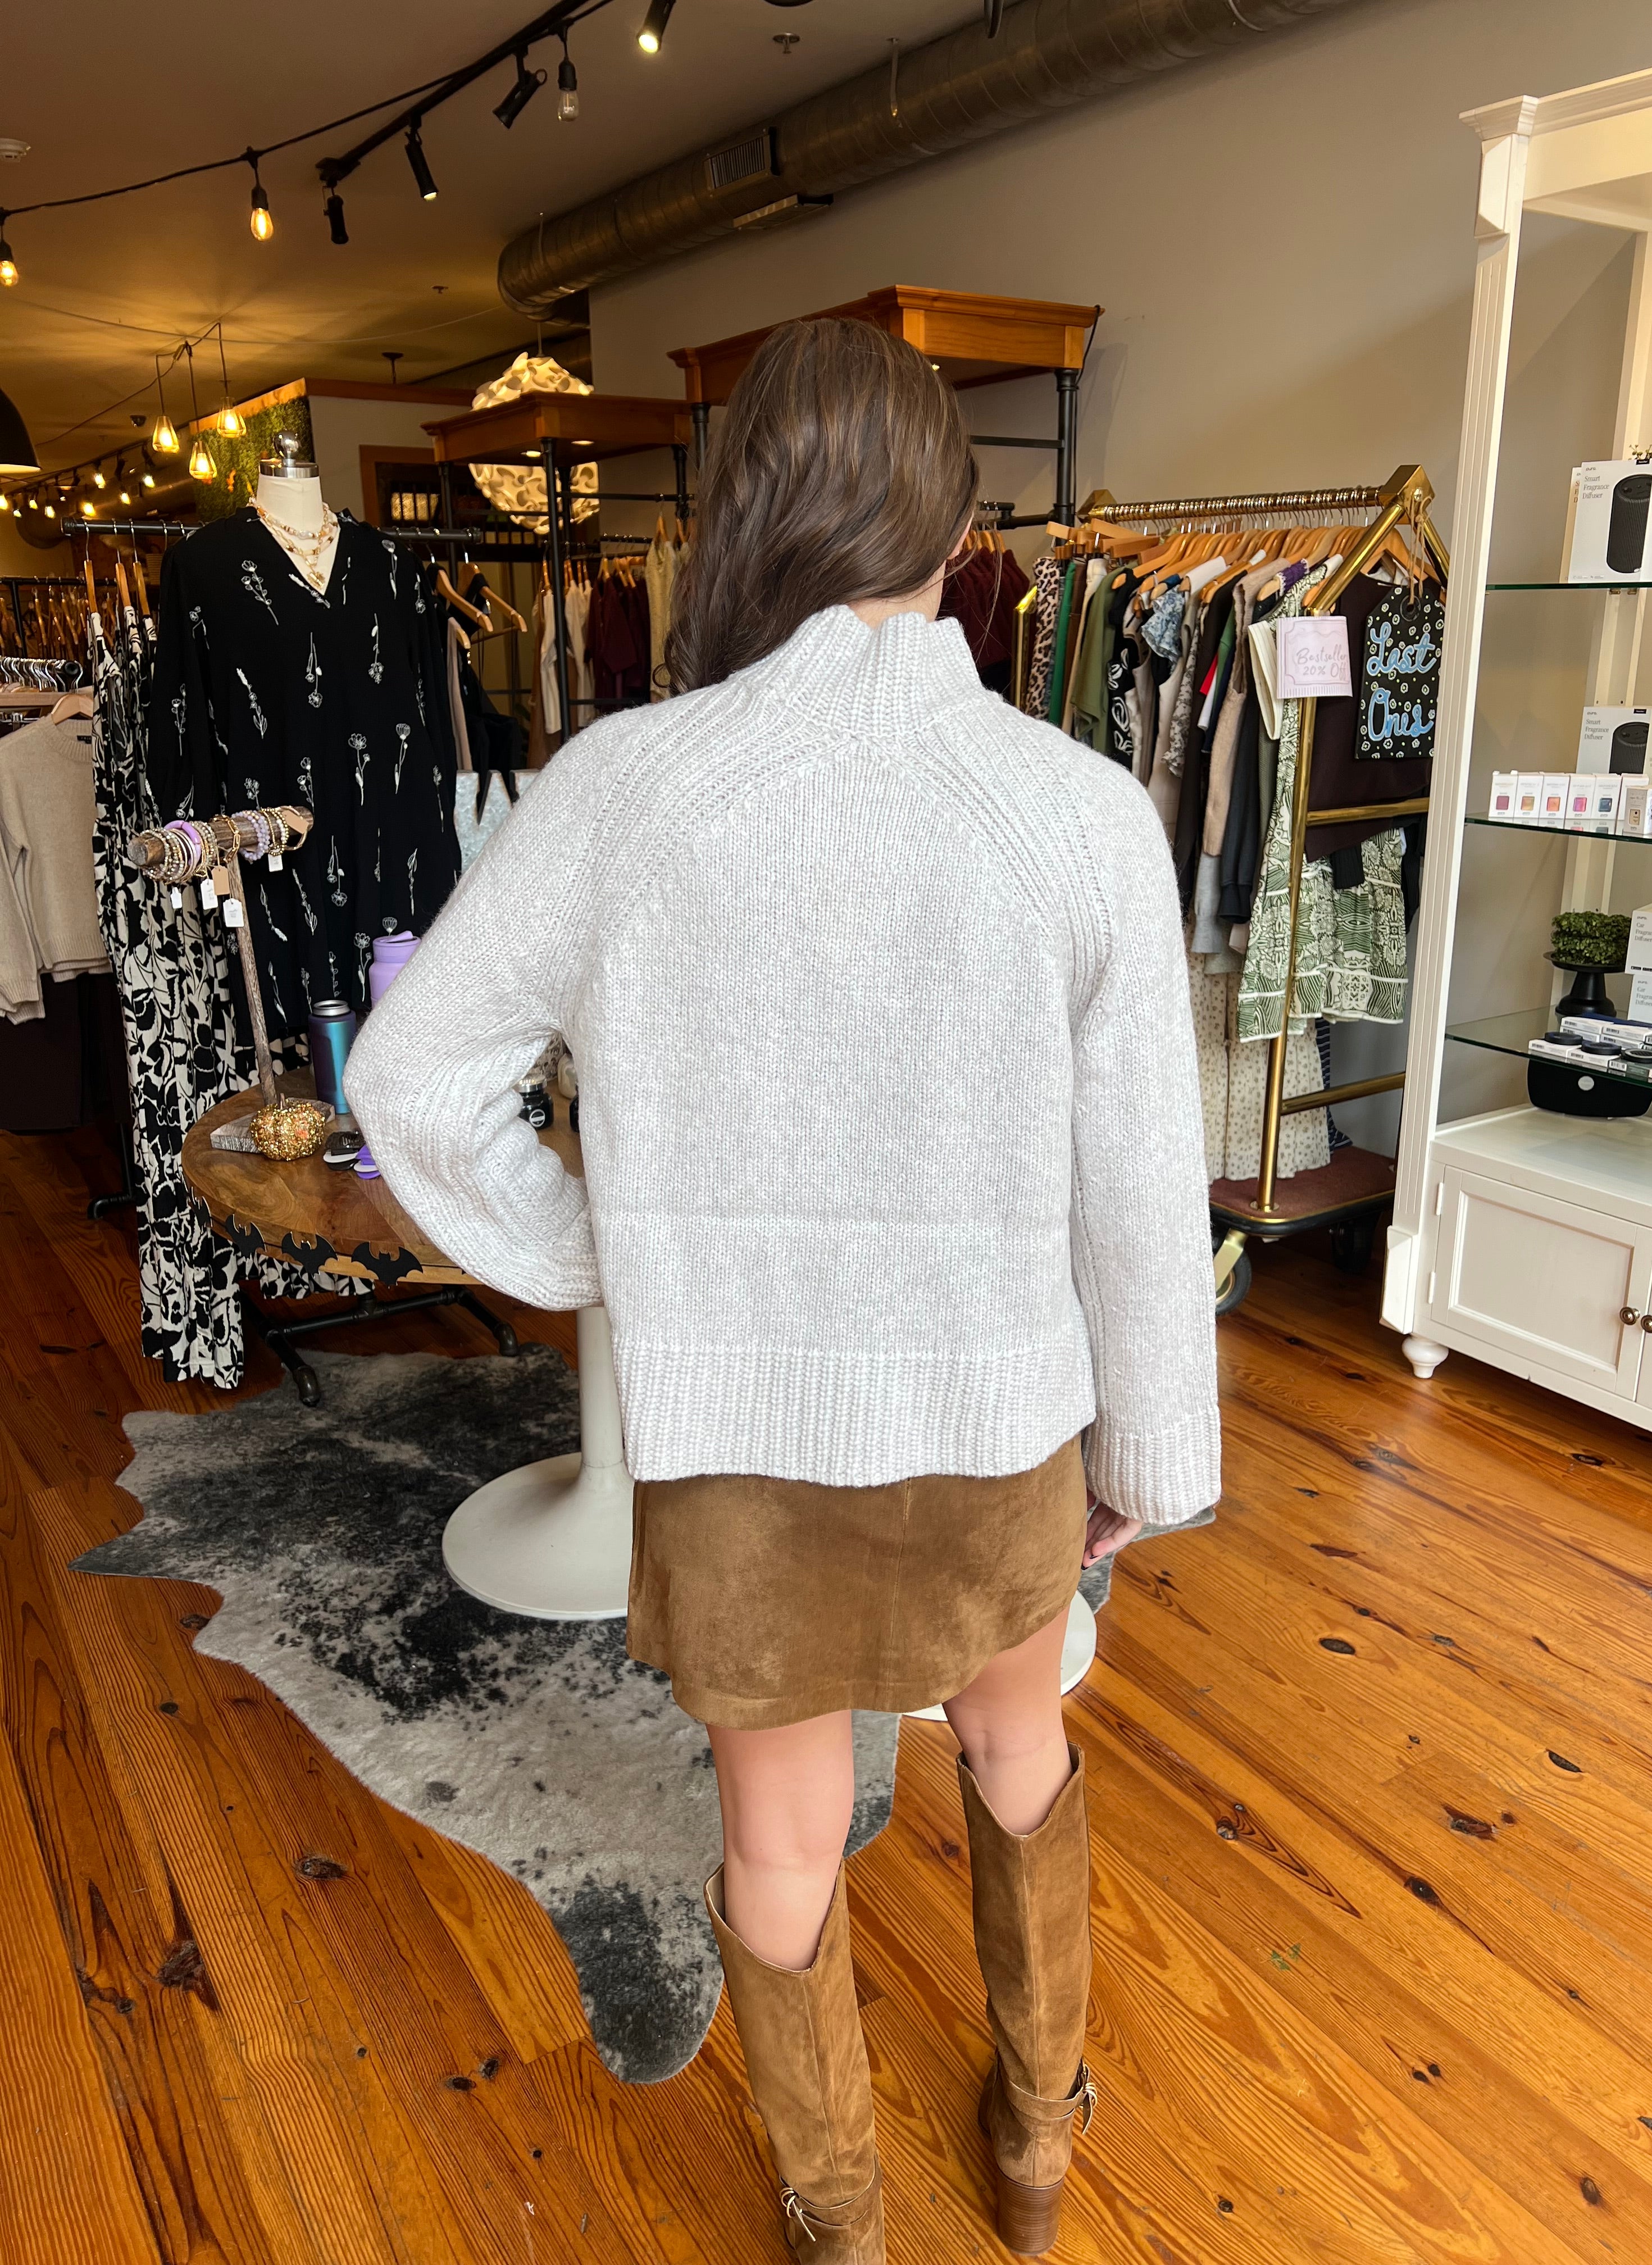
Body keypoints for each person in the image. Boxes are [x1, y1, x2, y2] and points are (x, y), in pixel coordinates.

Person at [345, 316, 1219, 2263]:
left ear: (743, 510)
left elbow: (410, 1081)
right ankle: (1037, 2146)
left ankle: (837, 2221)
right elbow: (1141, 1195)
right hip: (997, 1417)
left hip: (738, 1442)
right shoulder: (1078, 805)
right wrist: (1150, 1456)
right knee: (1018, 1751)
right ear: (957, 525)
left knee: (778, 1834)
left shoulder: (626, 785)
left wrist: (619, 1259)